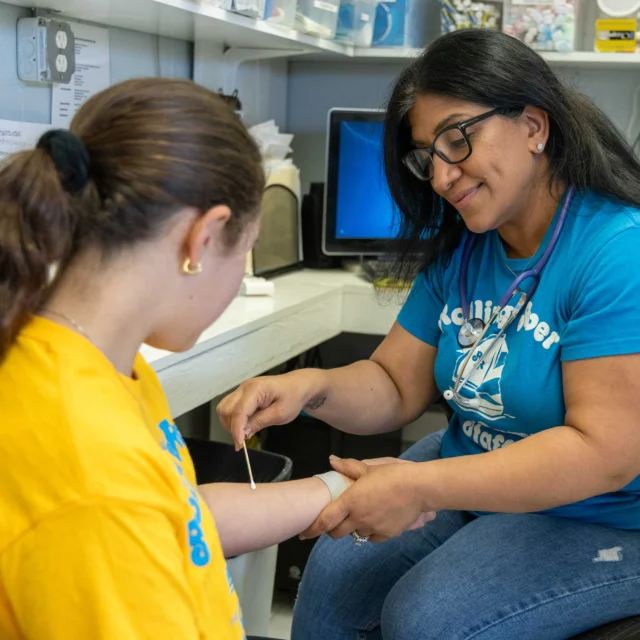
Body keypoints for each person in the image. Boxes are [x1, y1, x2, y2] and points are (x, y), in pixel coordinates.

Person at [217, 29, 640, 639]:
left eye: (457, 139)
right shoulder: (469, 248)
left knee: (429, 617)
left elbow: (603, 454)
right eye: (427, 156)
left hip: (605, 514)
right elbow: (394, 382)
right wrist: (309, 387)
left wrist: (417, 486)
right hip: (474, 474)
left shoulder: (616, 251)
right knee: (335, 576)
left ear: (533, 126)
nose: (440, 176)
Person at [0, 77, 379, 640]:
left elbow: (179, 512)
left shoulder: (90, 359)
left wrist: (340, 490)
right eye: (245, 250)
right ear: (203, 239)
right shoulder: (88, 465)